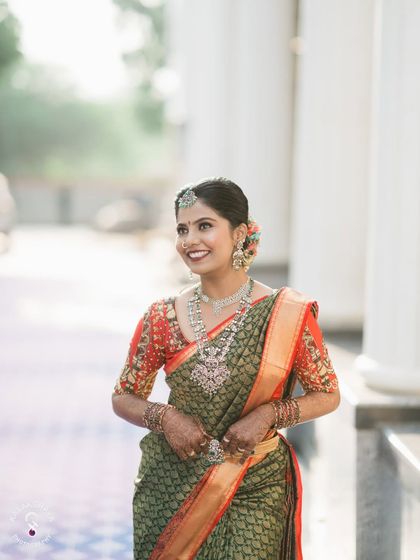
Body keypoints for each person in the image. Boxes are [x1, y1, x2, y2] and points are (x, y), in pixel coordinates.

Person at [111, 177, 340, 560]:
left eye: (205, 226)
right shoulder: (161, 316)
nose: (190, 240)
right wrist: (166, 418)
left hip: (256, 483)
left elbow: (327, 393)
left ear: (240, 234)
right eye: (183, 229)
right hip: (171, 485)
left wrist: (269, 413)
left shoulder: (285, 313)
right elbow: (124, 396)